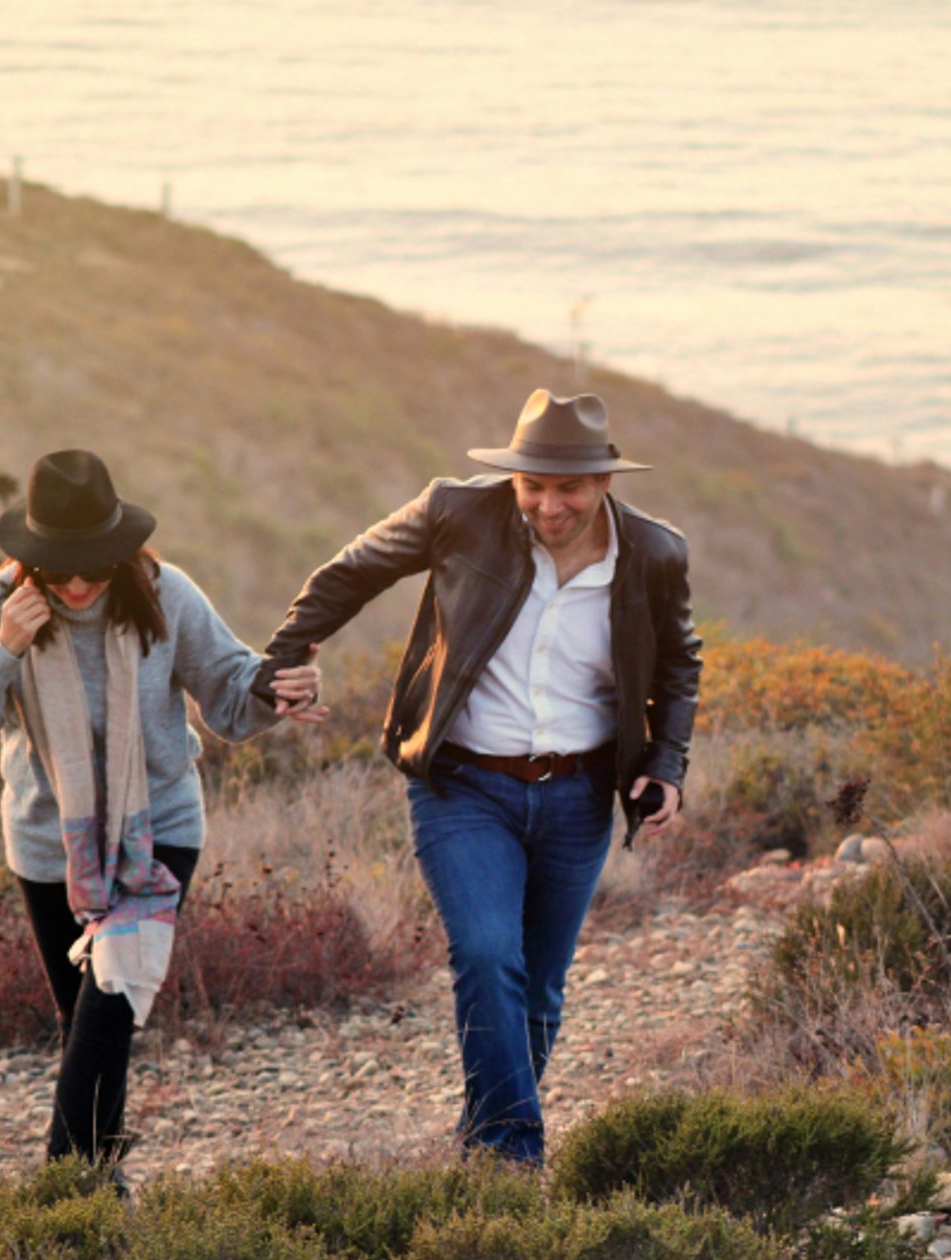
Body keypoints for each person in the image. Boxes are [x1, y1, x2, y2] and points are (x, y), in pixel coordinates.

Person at [254, 389, 703, 1164]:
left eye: (568, 489)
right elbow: (349, 574)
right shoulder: (456, 513)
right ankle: (512, 1157)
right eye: (533, 485)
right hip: (462, 784)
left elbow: (678, 663)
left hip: (579, 794)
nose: (548, 505)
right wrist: (286, 655)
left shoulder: (655, 554)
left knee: (540, 988)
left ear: (604, 483)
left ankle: (481, 1143)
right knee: (490, 953)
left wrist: (665, 764)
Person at [0, 449, 324, 1171]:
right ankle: (100, 1199)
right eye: (60, 569)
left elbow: (231, 697)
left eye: (96, 566)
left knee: (109, 1006)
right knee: (86, 1024)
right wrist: (6, 649)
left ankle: (63, 1190)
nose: (78, 585)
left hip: (158, 831)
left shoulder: (167, 596)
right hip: (49, 847)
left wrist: (279, 692)